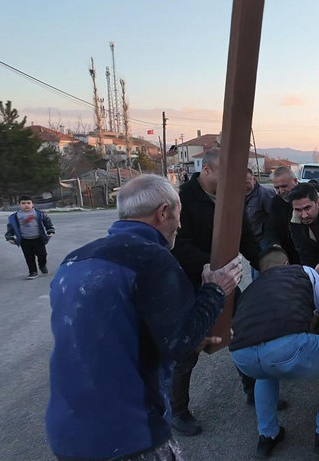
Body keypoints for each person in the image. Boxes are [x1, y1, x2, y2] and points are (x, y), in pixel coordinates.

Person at [45, 174, 244, 460]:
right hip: (127, 432)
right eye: (178, 216)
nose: (178, 225)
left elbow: (120, 331)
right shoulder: (151, 260)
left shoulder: (75, 259)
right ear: (164, 212)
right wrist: (216, 290)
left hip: (67, 428)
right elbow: (180, 343)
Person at [230, 246, 319, 459]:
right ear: (286, 264)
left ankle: (267, 435)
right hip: (285, 348)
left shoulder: (253, 287)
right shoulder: (304, 271)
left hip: (241, 355)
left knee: (264, 374)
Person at [169, 148, 261, 436]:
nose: (231, 178)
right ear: (206, 170)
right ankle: (178, 411)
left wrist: (266, 262)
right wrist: (212, 267)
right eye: (224, 171)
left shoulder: (233, 198)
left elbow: (245, 238)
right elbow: (178, 246)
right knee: (186, 351)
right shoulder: (181, 200)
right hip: (190, 285)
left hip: (228, 284)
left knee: (244, 334)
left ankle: (252, 390)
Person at [5, 195, 55, 279]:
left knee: (42, 254)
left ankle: (42, 265)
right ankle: (33, 272)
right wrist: (9, 237)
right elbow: (11, 227)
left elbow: (48, 222)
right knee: (29, 257)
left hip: (38, 238)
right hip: (25, 240)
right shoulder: (15, 216)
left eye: (28, 203)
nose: (26, 205)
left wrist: (50, 231)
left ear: (33, 204)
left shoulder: (39, 214)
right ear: (19, 205)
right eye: (23, 203)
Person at [263, 166, 300, 264]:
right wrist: (274, 244)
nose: (281, 191)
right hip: (288, 256)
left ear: (295, 181)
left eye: (284, 186)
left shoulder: (309, 195)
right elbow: (270, 228)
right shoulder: (276, 202)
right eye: (277, 188)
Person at [245, 168, 276, 280]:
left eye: (246, 183)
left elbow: (274, 218)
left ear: (254, 179)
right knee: (254, 270)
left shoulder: (265, 194)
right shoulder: (240, 195)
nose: (243, 186)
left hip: (263, 241)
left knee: (260, 274)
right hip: (252, 241)